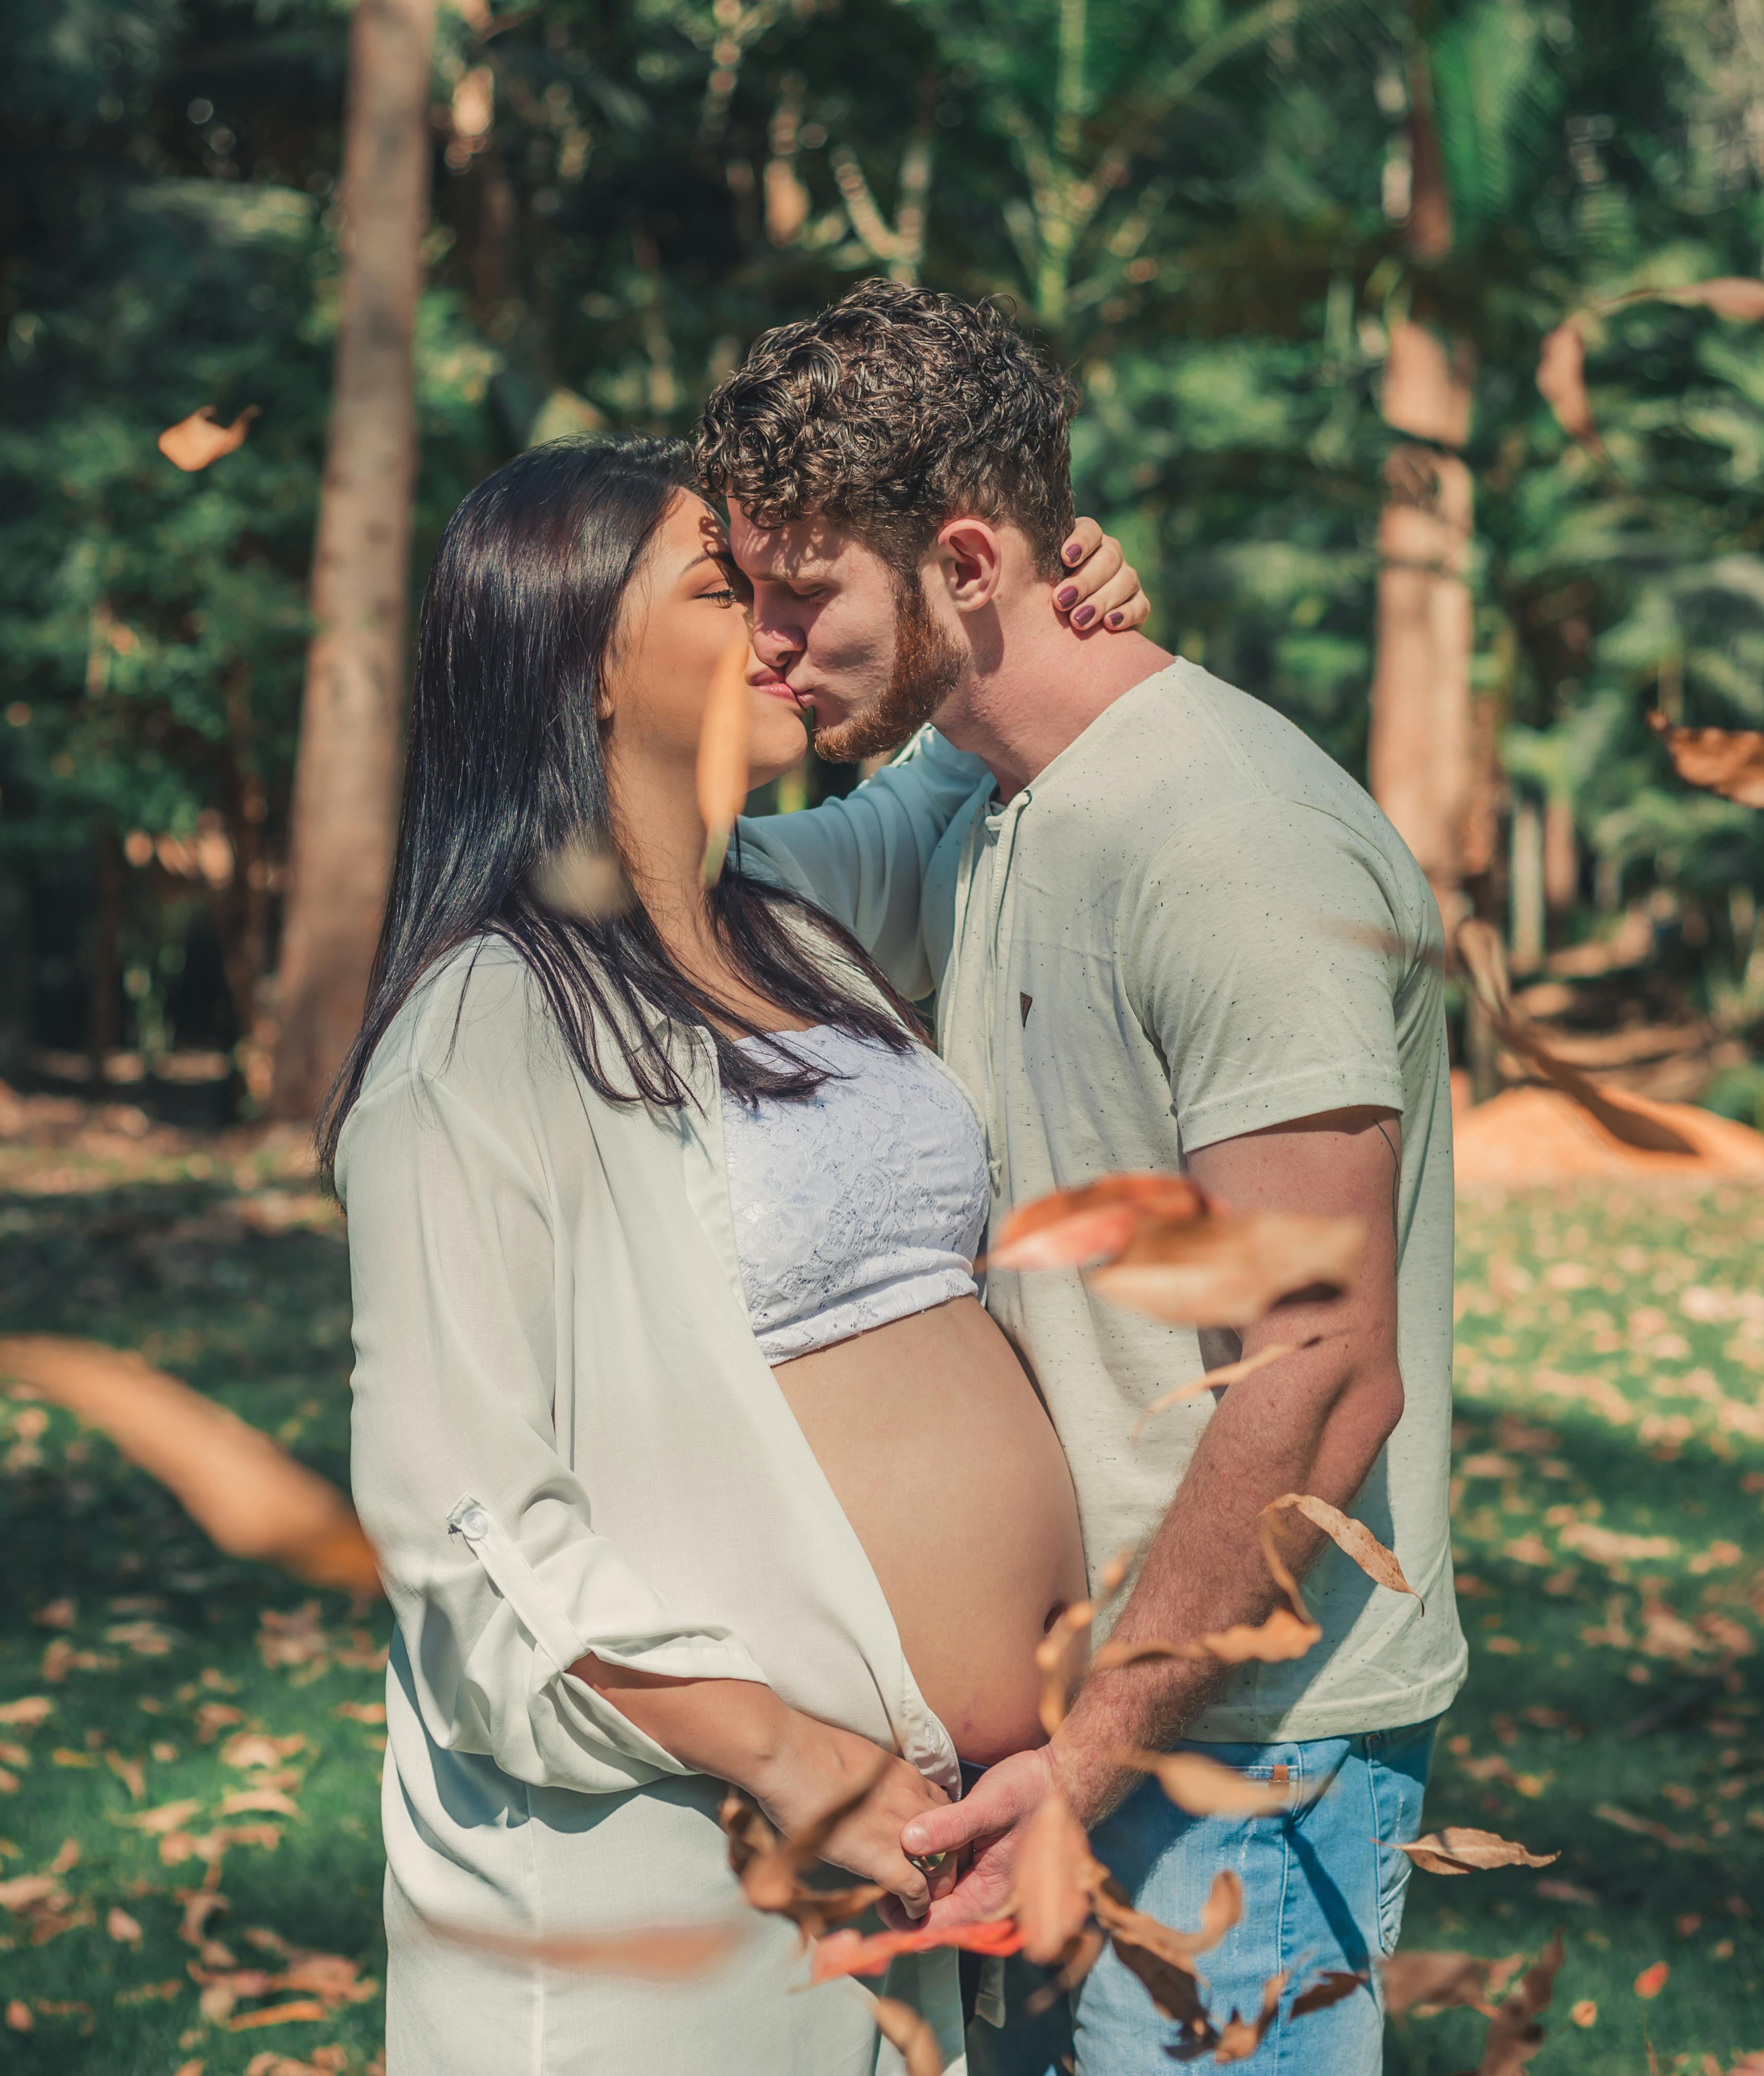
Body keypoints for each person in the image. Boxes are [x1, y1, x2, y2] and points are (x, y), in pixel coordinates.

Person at [712, 280, 1470, 2076]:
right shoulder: (978, 808)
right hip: (1074, 1738)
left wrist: (1096, 1753)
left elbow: (1322, 1373)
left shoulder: (1228, 840)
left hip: (1229, 1748)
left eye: (798, 593)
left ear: (965, 561)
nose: (763, 645)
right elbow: (676, 889)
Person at [326, 433, 1150, 2075]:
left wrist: (1053, 594)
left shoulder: (787, 916)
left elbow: (960, 771)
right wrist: (797, 1764)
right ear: (587, 665)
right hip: (679, 1881)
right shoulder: (482, 1035)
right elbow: (468, 1531)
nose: (782, 615)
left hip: (935, 1867)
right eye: (728, 582)